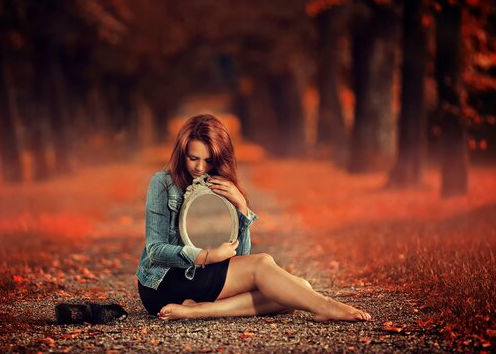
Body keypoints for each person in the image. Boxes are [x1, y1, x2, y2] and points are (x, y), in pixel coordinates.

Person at [136, 114, 371, 322]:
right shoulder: (163, 183)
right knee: (265, 267)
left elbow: (240, 256)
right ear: (181, 153)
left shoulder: (221, 185)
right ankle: (327, 306)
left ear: (218, 158)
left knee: (298, 290)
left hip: (202, 279)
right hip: (163, 282)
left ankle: (199, 310)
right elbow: (155, 250)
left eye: (208, 160)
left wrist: (241, 206)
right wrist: (206, 256)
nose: (199, 167)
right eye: (193, 158)